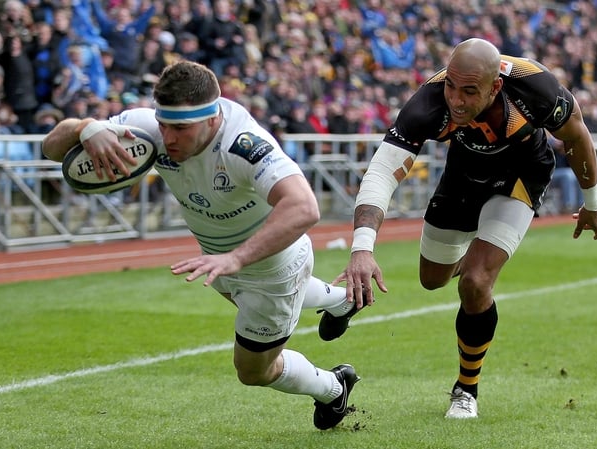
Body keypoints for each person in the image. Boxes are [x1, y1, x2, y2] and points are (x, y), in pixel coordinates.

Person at [41, 60, 360, 430]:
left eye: (180, 128)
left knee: (253, 371)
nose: (168, 138)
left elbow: (304, 207)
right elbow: (51, 147)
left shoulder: (245, 146)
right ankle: (342, 300)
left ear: (212, 119)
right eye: (163, 125)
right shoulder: (150, 130)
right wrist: (86, 128)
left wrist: (237, 258)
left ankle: (333, 388)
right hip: (217, 257)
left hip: (272, 266)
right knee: (257, 305)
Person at [333, 38, 597, 419]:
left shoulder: (535, 87)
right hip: (463, 176)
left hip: (521, 176)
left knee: (475, 282)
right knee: (432, 279)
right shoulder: (428, 103)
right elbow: (381, 172)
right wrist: (362, 248)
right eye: (451, 87)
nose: (456, 100)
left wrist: (592, 202)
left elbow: (576, 134)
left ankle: (466, 389)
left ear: (495, 87)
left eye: (469, 91)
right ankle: (478, 249)